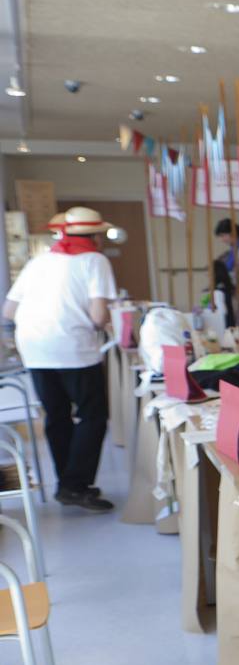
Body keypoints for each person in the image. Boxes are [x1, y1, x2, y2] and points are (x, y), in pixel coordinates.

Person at [3, 207, 119, 511]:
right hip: (73, 348)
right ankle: (74, 485)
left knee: (56, 415)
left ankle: (67, 484)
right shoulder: (96, 260)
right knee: (92, 416)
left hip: (35, 349)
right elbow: (97, 316)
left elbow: (9, 311)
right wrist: (104, 321)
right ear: (95, 235)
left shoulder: (39, 261)